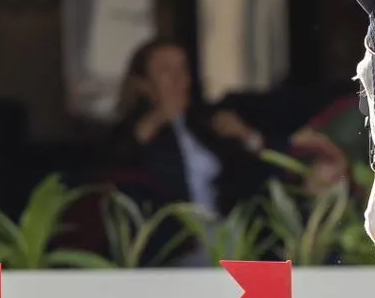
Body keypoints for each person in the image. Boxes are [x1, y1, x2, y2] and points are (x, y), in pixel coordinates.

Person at [107, 37, 267, 219]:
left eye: (183, 69)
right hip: (173, 237)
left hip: (224, 230)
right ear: (143, 84)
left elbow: (253, 170)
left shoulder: (205, 121)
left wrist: (246, 135)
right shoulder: (131, 130)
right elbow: (115, 168)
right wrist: (156, 120)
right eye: (166, 70)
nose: (178, 79)